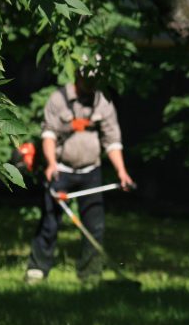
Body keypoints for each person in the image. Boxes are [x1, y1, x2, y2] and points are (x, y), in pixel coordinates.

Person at [24, 56, 134, 284]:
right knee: (49, 223)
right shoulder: (58, 99)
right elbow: (48, 135)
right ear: (78, 76)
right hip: (61, 170)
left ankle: (90, 275)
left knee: (95, 225)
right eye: (87, 80)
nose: (92, 85)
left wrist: (122, 172)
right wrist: (51, 163)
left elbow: (112, 141)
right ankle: (37, 271)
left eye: (96, 80)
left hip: (91, 172)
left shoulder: (103, 101)